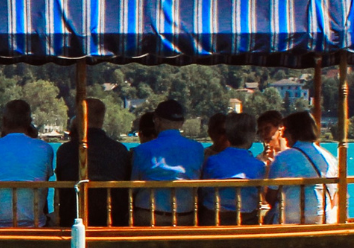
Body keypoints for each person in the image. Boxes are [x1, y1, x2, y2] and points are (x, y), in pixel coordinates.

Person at [55, 97, 133, 228]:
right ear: (102, 119)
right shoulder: (119, 150)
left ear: (79, 118)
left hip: (72, 219)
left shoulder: (66, 150)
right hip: (114, 220)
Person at [0, 98, 55, 227]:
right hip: (34, 224)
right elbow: (43, 179)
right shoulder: (44, 148)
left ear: (4, 121)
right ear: (29, 122)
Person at [129, 98, 205, 226]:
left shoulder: (143, 149)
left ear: (156, 120)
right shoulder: (197, 148)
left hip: (149, 217)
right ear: (182, 122)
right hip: (185, 217)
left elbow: (133, 186)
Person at [267, 111, 336, 225]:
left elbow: (270, 197)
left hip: (289, 222)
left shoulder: (283, 158)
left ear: (294, 132)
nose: (283, 136)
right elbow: (334, 196)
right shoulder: (329, 158)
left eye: (285, 131)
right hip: (324, 221)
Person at [200, 113, 265, 224]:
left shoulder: (212, 161)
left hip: (214, 220)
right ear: (251, 136)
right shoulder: (258, 165)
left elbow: (204, 191)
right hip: (247, 221)